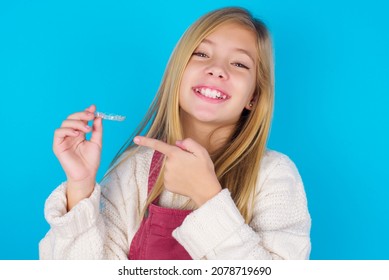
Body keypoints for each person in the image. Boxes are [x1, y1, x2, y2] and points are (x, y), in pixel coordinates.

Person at [39, 7, 311, 260]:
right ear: (176, 74)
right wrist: (80, 186)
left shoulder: (274, 176)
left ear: (253, 96)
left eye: (239, 64)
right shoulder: (133, 170)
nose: (217, 69)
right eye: (202, 54)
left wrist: (208, 196)